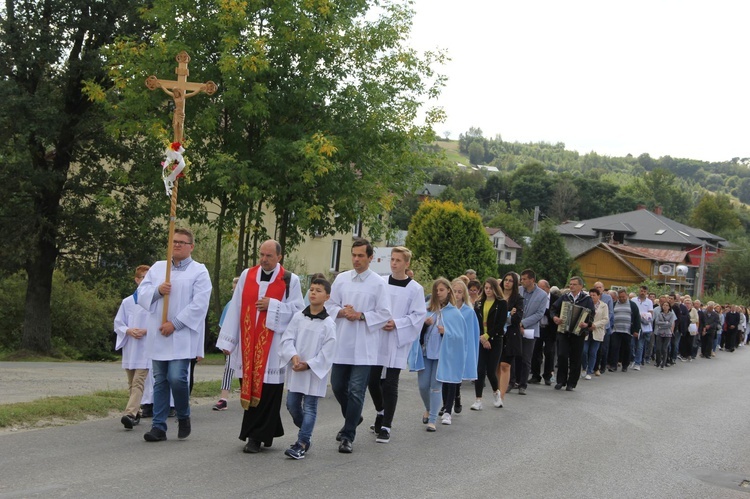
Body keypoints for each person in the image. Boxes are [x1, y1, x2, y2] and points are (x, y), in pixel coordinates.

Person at [216, 239, 304, 453]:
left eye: (269, 256)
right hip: (247, 345)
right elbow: (236, 306)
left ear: (279, 257)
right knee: (249, 385)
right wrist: (228, 341)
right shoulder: (248, 275)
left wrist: (272, 305)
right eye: (261, 255)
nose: (264, 260)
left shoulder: (290, 279)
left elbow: (298, 311)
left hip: (272, 346)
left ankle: (255, 437)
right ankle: (261, 431)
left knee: (268, 391)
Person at [138, 228, 212, 442]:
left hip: (181, 335)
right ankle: (158, 426)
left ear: (191, 247)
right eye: (174, 241)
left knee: (177, 378)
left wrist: (176, 323)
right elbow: (141, 293)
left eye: (182, 242)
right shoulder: (158, 268)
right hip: (159, 333)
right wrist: (158, 291)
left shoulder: (199, 271)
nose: (177, 245)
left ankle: (183, 414)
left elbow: (200, 304)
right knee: (160, 380)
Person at [326, 239, 391, 454]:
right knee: (337, 386)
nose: (356, 259)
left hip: (364, 347)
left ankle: (348, 435)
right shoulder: (342, 279)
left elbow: (384, 314)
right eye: (354, 255)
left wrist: (361, 315)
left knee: (356, 391)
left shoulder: (378, 283)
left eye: (361, 255)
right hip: (342, 343)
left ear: (370, 258)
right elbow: (329, 305)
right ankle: (354, 417)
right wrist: (343, 312)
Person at [367, 247, 426, 444]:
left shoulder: (415, 289)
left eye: (398, 260)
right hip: (379, 337)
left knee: (391, 382)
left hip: (397, 339)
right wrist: (379, 320)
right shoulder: (381, 282)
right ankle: (380, 410)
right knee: (372, 380)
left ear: (407, 263)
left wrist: (397, 324)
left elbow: (418, 315)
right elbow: (372, 305)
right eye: (392, 259)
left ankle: (386, 425)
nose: (394, 263)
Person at [279, 277, 337, 459]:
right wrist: (293, 356)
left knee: (310, 407)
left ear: (327, 296)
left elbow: (328, 351)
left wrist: (309, 365)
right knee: (292, 405)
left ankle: (302, 442)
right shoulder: (298, 317)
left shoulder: (328, 324)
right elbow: (287, 339)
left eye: (318, 290)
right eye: (311, 289)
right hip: (297, 369)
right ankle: (306, 429)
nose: (313, 292)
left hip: (312, 373)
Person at [408, 278, 467, 431]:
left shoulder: (454, 313)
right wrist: (423, 325)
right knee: (422, 386)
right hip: (426, 353)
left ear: (448, 291)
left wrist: (445, 333)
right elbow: (414, 329)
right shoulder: (427, 309)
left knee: (435, 387)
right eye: (436, 290)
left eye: (441, 290)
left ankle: (432, 419)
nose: (438, 293)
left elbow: (460, 337)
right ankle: (428, 408)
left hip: (442, 356)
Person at [113, 265, 151, 430]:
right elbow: (118, 323)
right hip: (130, 347)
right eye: (143, 278)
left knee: (138, 382)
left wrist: (146, 331)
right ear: (137, 280)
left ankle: (129, 413)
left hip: (146, 348)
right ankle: (137, 413)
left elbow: (159, 323)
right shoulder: (127, 302)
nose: (145, 281)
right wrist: (128, 330)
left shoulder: (154, 302)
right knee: (131, 382)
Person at [550, 277, 594, 391]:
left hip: (578, 332)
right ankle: (561, 380)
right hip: (564, 330)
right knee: (562, 355)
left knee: (576, 358)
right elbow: (553, 309)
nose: (572, 286)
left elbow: (591, 314)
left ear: (580, 286)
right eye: (570, 284)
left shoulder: (587, 299)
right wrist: (555, 317)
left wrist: (587, 324)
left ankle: (571, 383)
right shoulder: (564, 297)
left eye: (574, 284)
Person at [471, 277, 508, 410]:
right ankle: (478, 400)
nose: (488, 290)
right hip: (481, 339)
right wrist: (482, 338)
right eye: (486, 288)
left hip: (496, 340)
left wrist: (487, 336)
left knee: (491, 370)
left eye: (490, 288)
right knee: (480, 370)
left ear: (495, 289)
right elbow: (476, 322)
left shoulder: (502, 303)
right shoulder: (479, 303)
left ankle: (496, 393)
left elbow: (500, 324)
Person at [446, 278, 479, 417]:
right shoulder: (446, 309)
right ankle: (447, 404)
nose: (457, 294)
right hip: (447, 346)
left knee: (456, 376)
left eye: (460, 291)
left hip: (461, 348)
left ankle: (456, 397)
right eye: (454, 291)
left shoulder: (469, 312)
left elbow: (471, 334)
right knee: (446, 376)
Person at [517, 270, 546, 395]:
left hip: (530, 329)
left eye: (524, 279)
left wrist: (523, 323)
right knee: (515, 356)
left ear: (532, 280)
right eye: (521, 279)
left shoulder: (542, 295)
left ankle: (523, 384)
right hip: (516, 327)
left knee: (526, 358)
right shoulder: (519, 290)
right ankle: (514, 381)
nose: (522, 281)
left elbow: (540, 313)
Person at [214, 277, 240, 411]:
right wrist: (226, 344)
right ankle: (223, 398)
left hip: (246, 342)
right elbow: (224, 326)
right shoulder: (230, 305)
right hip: (233, 343)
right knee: (229, 369)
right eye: (233, 289)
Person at [498, 272, 524, 403]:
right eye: (505, 280)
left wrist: (509, 316)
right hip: (497, 334)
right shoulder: (497, 297)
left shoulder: (518, 299)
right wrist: (508, 313)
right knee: (497, 365)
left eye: (510, 281)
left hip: (511, 335)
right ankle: (497, 390)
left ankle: (502, 395)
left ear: (515, 284)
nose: (507, 282)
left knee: (505, 365)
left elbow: (517, 319)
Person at [529, 281, 556, 385]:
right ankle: (536, 375)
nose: (541, 291)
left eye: (543, 289)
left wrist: (546, 311)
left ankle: (547, 376)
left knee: (549, 352)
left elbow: (556, 313)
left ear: (548, 288)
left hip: (550, 328)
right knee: (535, 352)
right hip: (538, 327)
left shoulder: (555, 299)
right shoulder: (536, 297)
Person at [608, 289, 640, 373]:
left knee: (627, 348)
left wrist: (636, 330)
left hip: (627, 330)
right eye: (620, 297)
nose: (622, 298)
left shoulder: (632, 305)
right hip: (615, 330)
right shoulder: (614, 304)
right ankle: (613, 365)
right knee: (614, 347)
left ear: (627, 296)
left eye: (623, 297)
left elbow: (637, 318)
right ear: (618, 297)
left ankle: (625, 365)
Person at [581, 288, 609, 380]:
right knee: (584, 351)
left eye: (594, 295)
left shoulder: (604, 306)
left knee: (593, 352)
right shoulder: (586, 304)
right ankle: (584, 367)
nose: (592, 297)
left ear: (599, 296)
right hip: (586, 331)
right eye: (591, 295)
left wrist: (595, 325)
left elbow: (605, 319)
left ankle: (590, 371)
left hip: (597, 331)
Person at [632, 286, 653, 371]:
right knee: (632, 345)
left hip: (644, 327)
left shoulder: (649, 302)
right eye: (641, 291)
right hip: (634, 325)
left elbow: (651, 314)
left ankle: (638, 363)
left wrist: (645, 316)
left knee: (640, 346)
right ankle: (633, 358)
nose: (642, 292)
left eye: (644, 291)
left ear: (646, 292)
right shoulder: (633, 300)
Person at [654, 301, 676, 369]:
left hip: (667, 333)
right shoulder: (660, 314)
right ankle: (658, 362)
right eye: (664, 305)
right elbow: (657, 322)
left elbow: (670, 324)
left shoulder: (671, 314)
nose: (665, 306)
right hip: (659, 332)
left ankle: (663, 363)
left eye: (666, 305)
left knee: (664, 349)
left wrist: (663, 324)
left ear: (669, 307)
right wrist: (665, 323)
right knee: (658, 348)